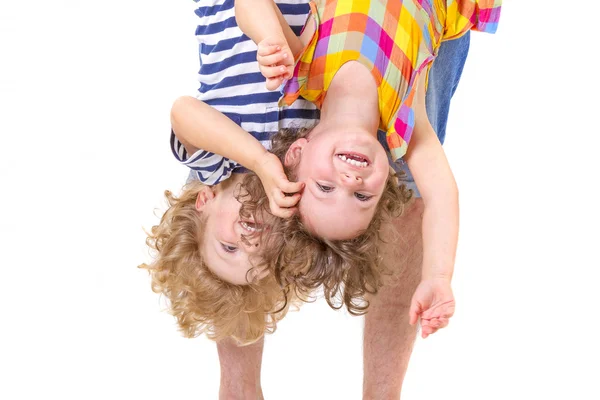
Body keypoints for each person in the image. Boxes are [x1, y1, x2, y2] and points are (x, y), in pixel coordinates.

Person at [140, 0, 319, 347]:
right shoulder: (298, 170)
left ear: (203, 204)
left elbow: (183, 112)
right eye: (261, 258)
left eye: (228, 248)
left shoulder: (215, 168)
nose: (249, 245)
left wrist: (260, 161)